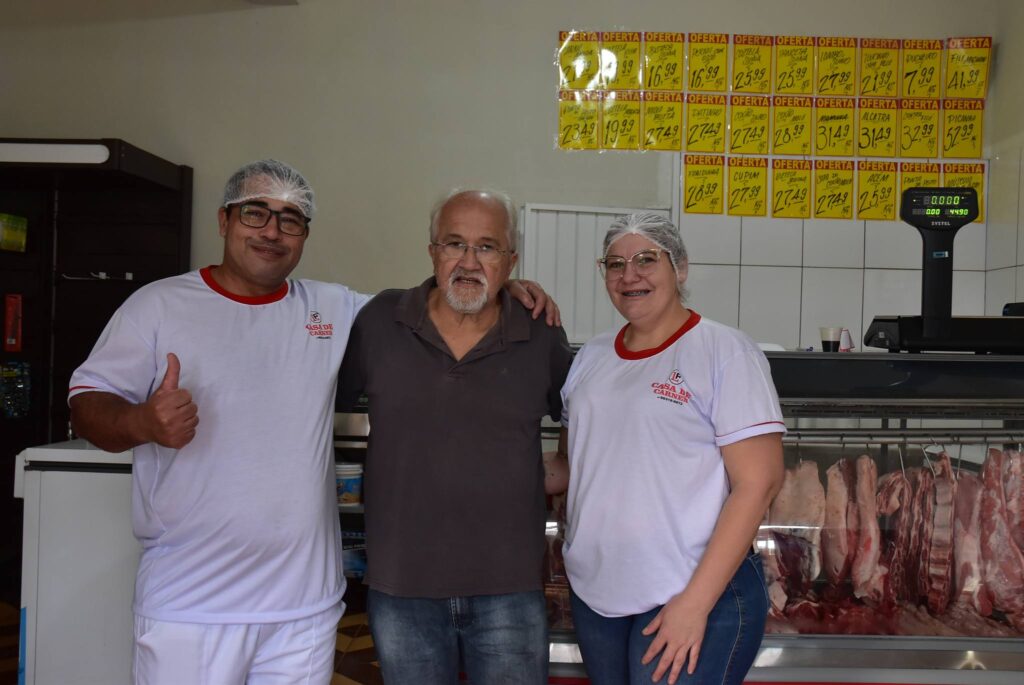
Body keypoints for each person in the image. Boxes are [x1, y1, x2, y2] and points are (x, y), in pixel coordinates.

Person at [67, 161, 557, 685]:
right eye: (256, 213)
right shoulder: (158, 305)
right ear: (224, 220)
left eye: (291, 219)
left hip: (303, 609)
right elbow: (86, 404)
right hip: (192, 601)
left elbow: (454, 302)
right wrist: (141, 421)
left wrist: (507, 287)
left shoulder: (334, 310)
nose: (272, 231)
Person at [336, 188, 574, 684]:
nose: (468, 261)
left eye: (487, 247)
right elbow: (317, 401)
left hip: (509, 588)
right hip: (402, 588)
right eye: (453, 244)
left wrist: (561, 471)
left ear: (511, 261)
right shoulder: (380, 321)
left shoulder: (540, 331)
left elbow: (580, 413)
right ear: (432, 253)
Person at [554, 212, 785, 685]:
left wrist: (694, 605)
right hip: (597, 595)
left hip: (690, 593)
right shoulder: (591, 358)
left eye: (646, 259)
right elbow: (568, 466)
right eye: (615, 264)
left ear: (679, 267)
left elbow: (757, 484)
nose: (629, 275)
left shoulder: (725, 351)